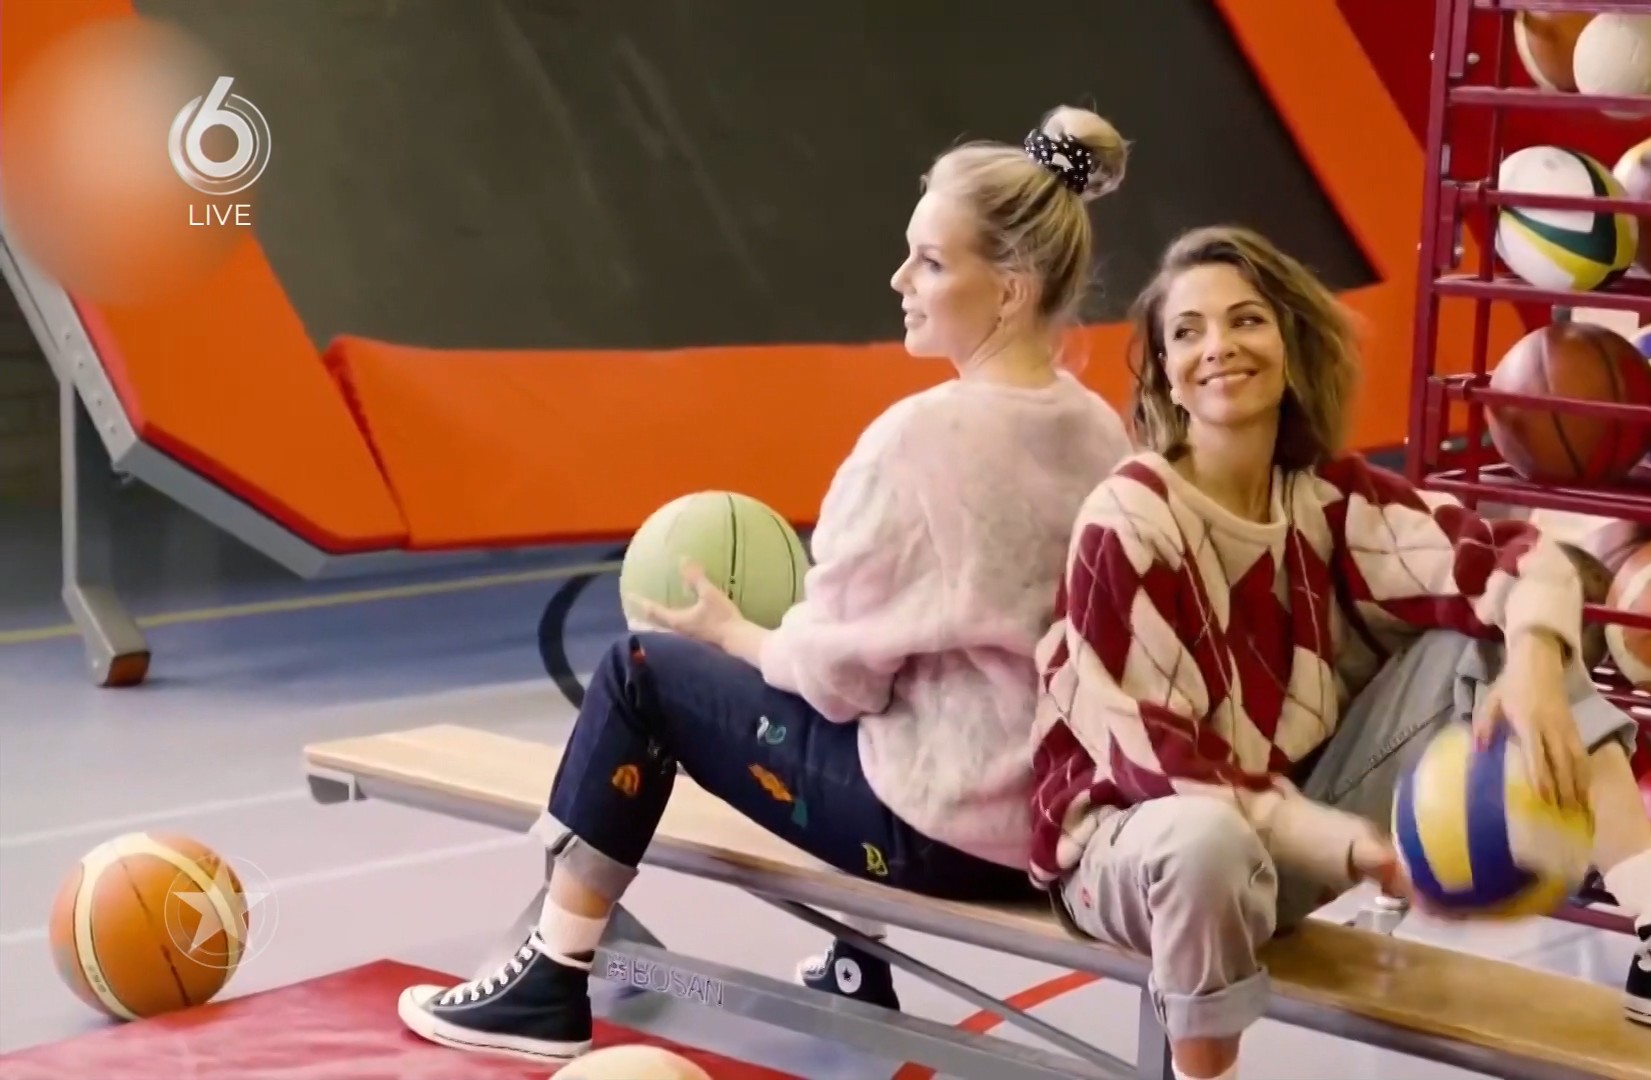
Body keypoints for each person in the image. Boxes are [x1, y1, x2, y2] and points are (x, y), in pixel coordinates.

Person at [396, 106, 1136, 1063]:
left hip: (942, 831)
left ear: (1009, 291)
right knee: (905, 694)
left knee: (640, 674)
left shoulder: (918, 442)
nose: (900, 281)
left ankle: (551, 975)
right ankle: (857, 966)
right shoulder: (1100, 430)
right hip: (1047, 824)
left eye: (929, 263)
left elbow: (835, 681)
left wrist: (733, 633)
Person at [1028, 226, 1651, 1080]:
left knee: (1505, 635)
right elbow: (1162, 767)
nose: (1219, 346)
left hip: (1279, 847)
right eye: (1187, 332)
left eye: (1247, 320)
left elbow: (1523, 561)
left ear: (1290, 344)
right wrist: (1350, 847)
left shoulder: (1329, 498)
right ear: (1164, 374)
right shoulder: (1130, 519)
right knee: (1205, 839)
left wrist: (1532, 666)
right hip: (1130, 853)